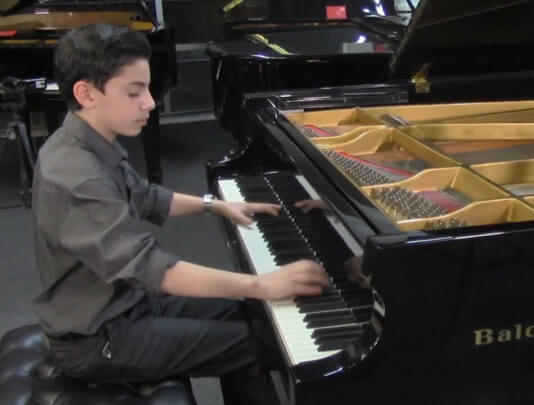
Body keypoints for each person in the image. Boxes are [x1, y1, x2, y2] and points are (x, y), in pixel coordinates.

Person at [31, 23, 329, 401]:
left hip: (123, 302)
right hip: (96, 338)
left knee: (256, 315)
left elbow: (148, 196)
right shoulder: (76, 175)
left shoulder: (85, 142)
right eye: (134, 92)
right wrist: (262, 283)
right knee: (254, 343)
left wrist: (216, 204)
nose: (150, 103)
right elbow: (153, 270)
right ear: (86, 93)